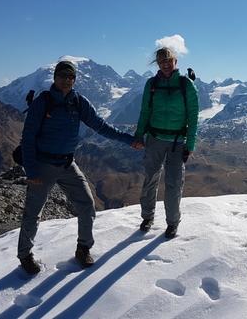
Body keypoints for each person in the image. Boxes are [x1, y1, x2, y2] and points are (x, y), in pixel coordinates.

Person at [17, 60, 135, 275]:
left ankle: (83, 249)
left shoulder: (79, 102)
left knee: (87, 205)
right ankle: (25, 255)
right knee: (33, 213)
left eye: (71, 77)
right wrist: (31, 171)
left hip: (67, 163)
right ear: (55, 78)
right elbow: (28, 137)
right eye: (63, 76)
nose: (67, 80)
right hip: (43, 165)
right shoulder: (43, 102)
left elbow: (100, 126)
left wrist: (129, 139)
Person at [131, 47, 199, 239]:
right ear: (157, 64)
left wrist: (190, 145)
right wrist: (139, 135)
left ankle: (172, 223)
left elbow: (193, 117)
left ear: (175, 61)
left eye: (169, 60)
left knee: (174, 184)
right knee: (150, 179)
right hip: (154, 139)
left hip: (178, 142)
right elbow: (145, 111)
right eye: (162, 62)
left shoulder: (187, 85)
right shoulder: (151, 84)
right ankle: (147, 217)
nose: (166, 64)